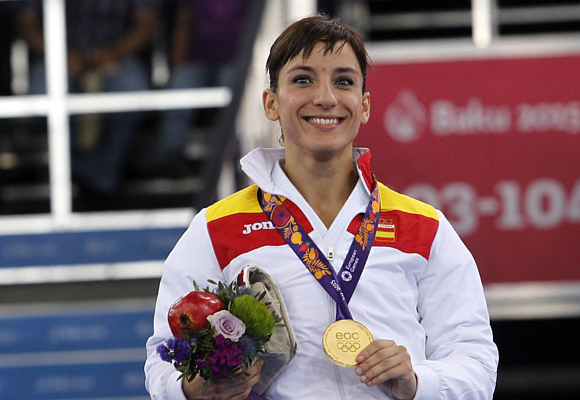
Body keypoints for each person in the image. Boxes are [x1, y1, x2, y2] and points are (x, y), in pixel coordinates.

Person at [145, 15, 498, 400]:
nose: (326, 97)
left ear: (364, 105)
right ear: (271, 103)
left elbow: (476, 363)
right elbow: (163, 361)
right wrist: (194, 389)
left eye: (344, 81)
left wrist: (417, 381)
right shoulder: (216, 228)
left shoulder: (423, 227)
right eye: (303, 79)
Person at [16, 0, 159, 194]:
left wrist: (115, 52)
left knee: (134, 89)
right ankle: (73, 171)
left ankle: (101, 172)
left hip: (117, 56)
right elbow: (26, 23)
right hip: (56, 56)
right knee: (41, 92)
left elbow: (147, 22)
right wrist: (60, 55)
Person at [149, 0, 249, 174]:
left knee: (235, 87)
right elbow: (183, 25)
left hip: (237, 63)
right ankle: (170, 155)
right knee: (181, 84)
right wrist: (177, 70)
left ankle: (240, 155)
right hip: (198, 60)